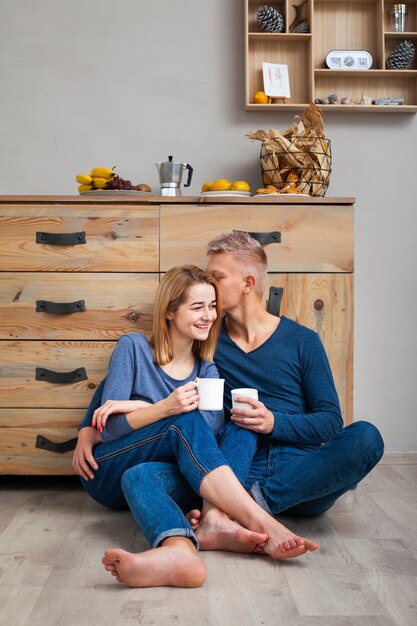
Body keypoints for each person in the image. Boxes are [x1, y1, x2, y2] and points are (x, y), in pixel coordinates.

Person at [73, 264, 318, 589]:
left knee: (241, 424)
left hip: (153, 474)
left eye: (213, 306)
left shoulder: (208, 369)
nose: (209, 315)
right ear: (171, 311)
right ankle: (258, 520)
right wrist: (162, 408)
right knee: (183, 421)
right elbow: (110, 429)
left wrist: (149, 408)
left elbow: (209, 437)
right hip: (106, 470)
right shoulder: (133, 348)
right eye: (197, 307)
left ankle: (181, 549)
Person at [185, 231, 384, 544]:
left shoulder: (303, 341)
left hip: (303, 477)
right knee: (157, 472)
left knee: (367, 436)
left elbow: (330, 422)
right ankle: (237, 510)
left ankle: (247, 508)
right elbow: (154, 359)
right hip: (237, 468)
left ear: (248, 283)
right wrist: (89, 428)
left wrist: (273, 422)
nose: (207, 286)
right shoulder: (207, 339)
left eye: (216, 277)